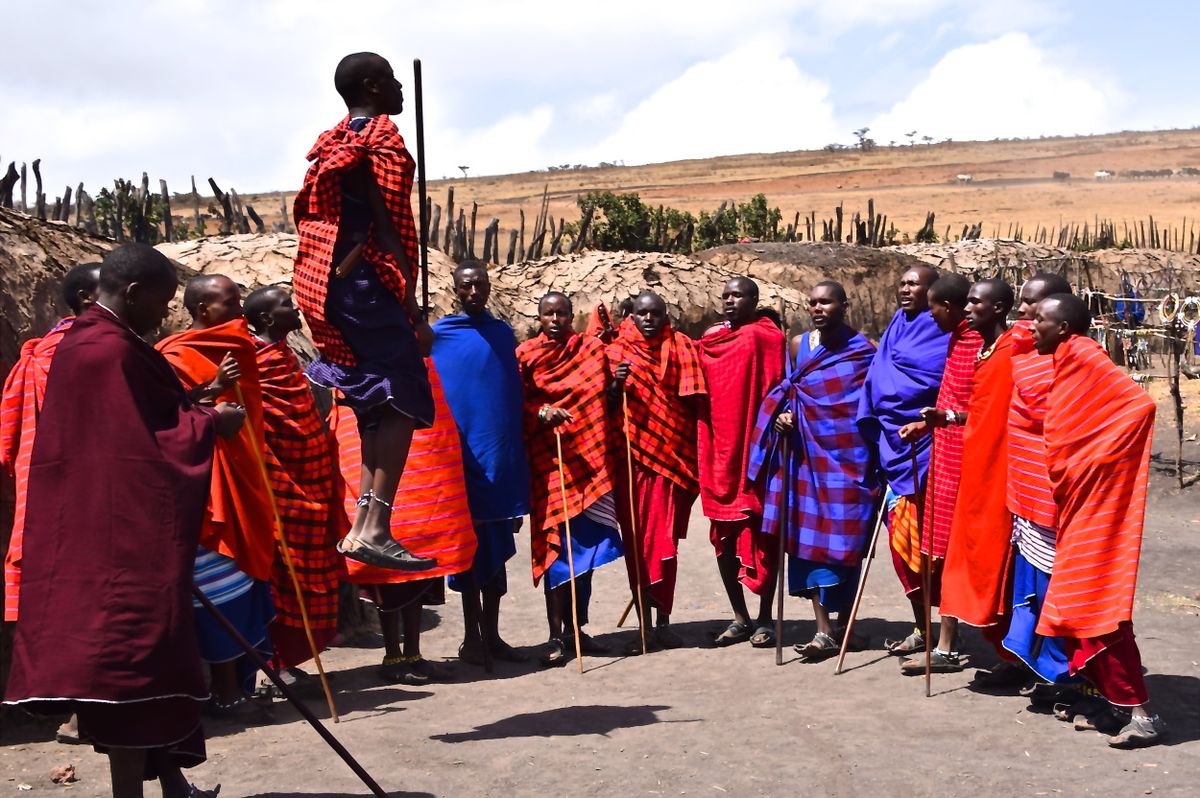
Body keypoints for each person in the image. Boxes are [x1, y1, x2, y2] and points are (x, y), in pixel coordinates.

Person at [4, 244, 239, 798]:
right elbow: (141, 450)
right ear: (133, 294)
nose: (165, 316)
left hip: (101, 535)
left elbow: (142, 420)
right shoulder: (108, 351)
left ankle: (174, 785)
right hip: (119, 548)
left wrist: (197, 407)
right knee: (133, 672)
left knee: (147, 669)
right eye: (160, 303)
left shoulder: (91, 344)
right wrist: (211, 426)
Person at [292, 51, 436, 571]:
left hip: (323, 285)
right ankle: (377, 526)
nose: (401, 90)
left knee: (373, 402)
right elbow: (391, 221)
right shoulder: (380, 140)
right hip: (365, 284)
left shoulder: (334, 141)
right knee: (403, 395)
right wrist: (409, 302)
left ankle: (362, 526)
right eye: (393, 82)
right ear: (374, 87)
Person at [1031, 293, 1165, 748]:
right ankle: (1114, 703)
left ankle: (1143, 713)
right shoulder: (1067, 360)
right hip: (1079, 503)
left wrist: (1095, 464)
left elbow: (1138, 406)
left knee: (1096, 605)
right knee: (1077, 606)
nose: (1032, 328)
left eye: (1040, 321)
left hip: (1097, 503)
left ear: (1064, 327)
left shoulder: (1085, 356)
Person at [157, 275, 277, 714]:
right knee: (218, 586)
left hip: (242, 479)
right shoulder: (172, 355)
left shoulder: (238, 350)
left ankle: (239, 685)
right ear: (204, 310)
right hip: (205, 491)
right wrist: (211, 391)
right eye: (230, 304)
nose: (240, 312)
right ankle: (224, 694)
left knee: (242, 582)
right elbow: (163, 417)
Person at [748, 281, 877, 660]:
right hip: (805, 459)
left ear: (844, 304)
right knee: (807, 545)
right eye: (813, 303)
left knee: (847, 543)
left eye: (826, 302)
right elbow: (792, 392)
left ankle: (843, 624)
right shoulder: (798, 345)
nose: (818, 308)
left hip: (848, 462)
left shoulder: (863, 350)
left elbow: (868, 404)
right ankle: (822, 631)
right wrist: (782, 416)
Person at [1, 263, 100, 744]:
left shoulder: (40, 355)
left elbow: (10, 445)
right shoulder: (91, 351)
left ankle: (76, 709)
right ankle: (90, 711)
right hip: (90, 497)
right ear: (85, 297)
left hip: (44, 499)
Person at [331, 365, 477, 684]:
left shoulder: (411, 360)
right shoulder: (359, 364)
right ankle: (392, 654)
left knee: (417, 568)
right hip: (381, 487)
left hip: (423, 477)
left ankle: (413, 653)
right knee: (387, 573)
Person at [243, 286, 347, 681]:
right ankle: (270, 662)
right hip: (280, 491)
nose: (296, 308)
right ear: (268, 318)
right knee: (279, 575)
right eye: (287, 305)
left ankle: (285, 659)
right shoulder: (253, 363)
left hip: (311, 483)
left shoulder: (285, 356)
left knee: (305, 576)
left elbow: (301, 421)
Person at [431, 261, 531, 664]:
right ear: (455, 289)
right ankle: (470, 638)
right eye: (466, 286)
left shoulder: (502, 334)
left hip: (498, 459)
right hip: (459, 461)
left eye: (480, 285)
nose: (474, 292)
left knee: (497, 550)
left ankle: (493, 635)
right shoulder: (439, 336)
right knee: (467, 555)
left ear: (489, 288)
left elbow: (509, 398)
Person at [517, 292, 624, 665]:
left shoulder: (589, 350)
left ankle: (577, 629)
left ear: (571, 317)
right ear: (539, 316)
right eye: (549, 313)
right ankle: (555, 634)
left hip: (589, 464)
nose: (556, 320)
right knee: (556, 554)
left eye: (562, 313)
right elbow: (518, 401)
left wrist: (619, 381)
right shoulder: (527, 355)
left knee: (587, 553)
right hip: (551, 466)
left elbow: (612, 378)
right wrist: (542, 412)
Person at [856, 265, 949, 656]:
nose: (905, 288)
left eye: (914, 283)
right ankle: (921, 624)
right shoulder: (897, 322)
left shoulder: (943, 330)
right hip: (893, 449)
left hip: (929, 450)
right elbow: (880, 376)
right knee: (901, 545)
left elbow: (938, 383)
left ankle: (950, 636)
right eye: (903, 282)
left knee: (937, 548)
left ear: (932, 291)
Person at [893, 273, 982, 674]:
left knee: (960, 553)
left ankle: (951, 644)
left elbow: (984, 411)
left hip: (972, 463)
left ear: (949, 307)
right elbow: (950, 400)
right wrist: (928, 425)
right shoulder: (955, 341)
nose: (930, 315)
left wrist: (946, 418)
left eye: (933, 308)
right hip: (943, 458)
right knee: (940, 550)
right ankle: (944, 641)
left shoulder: (981, 346)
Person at [607, 291, 706, 650]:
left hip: (671, 460)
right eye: (641, 314)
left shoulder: (682, 348)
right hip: (631, 461)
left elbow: (695, 401)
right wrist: (616, 382)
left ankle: (663, 619)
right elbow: (605, 404)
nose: (648, 319)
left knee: (663, 541)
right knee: (636, 544)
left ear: (666, 316)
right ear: (631, 316)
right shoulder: (617, 351)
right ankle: (644, 625)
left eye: (655, 313)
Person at [696, 277, 785, 647]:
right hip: (721, 450)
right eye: (726, 295)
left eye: (738, 295)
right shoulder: (712, 339)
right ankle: (739, 616)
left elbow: (783, 385)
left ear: (754, 299)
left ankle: (765, 617)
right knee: (723, 538)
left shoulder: (769, 338)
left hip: (760, 451)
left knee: (765, 535)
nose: (731, 300)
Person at [937, 278, 1020, 674]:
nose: (966, 310)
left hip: (1002, 471)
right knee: (965, 555)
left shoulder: (1012, 351)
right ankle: (1000, 650)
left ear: (1000, 308)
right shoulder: (987, 350)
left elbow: (1011, 416)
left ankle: (1014, 654)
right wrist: (948, 418)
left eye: (975, 303)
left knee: (1001, 560)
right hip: (974, 465)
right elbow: (982, 413)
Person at [999, 273, 1077, 690]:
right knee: (1029, 579)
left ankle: (1060, 673)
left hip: (1055, 492)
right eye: (1022, 303)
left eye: (1032, 304)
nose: (1022, 311)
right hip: (1026, 488)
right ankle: (1032, 663)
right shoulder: (1023, 351)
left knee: (1054, 585)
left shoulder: (1075, 363)